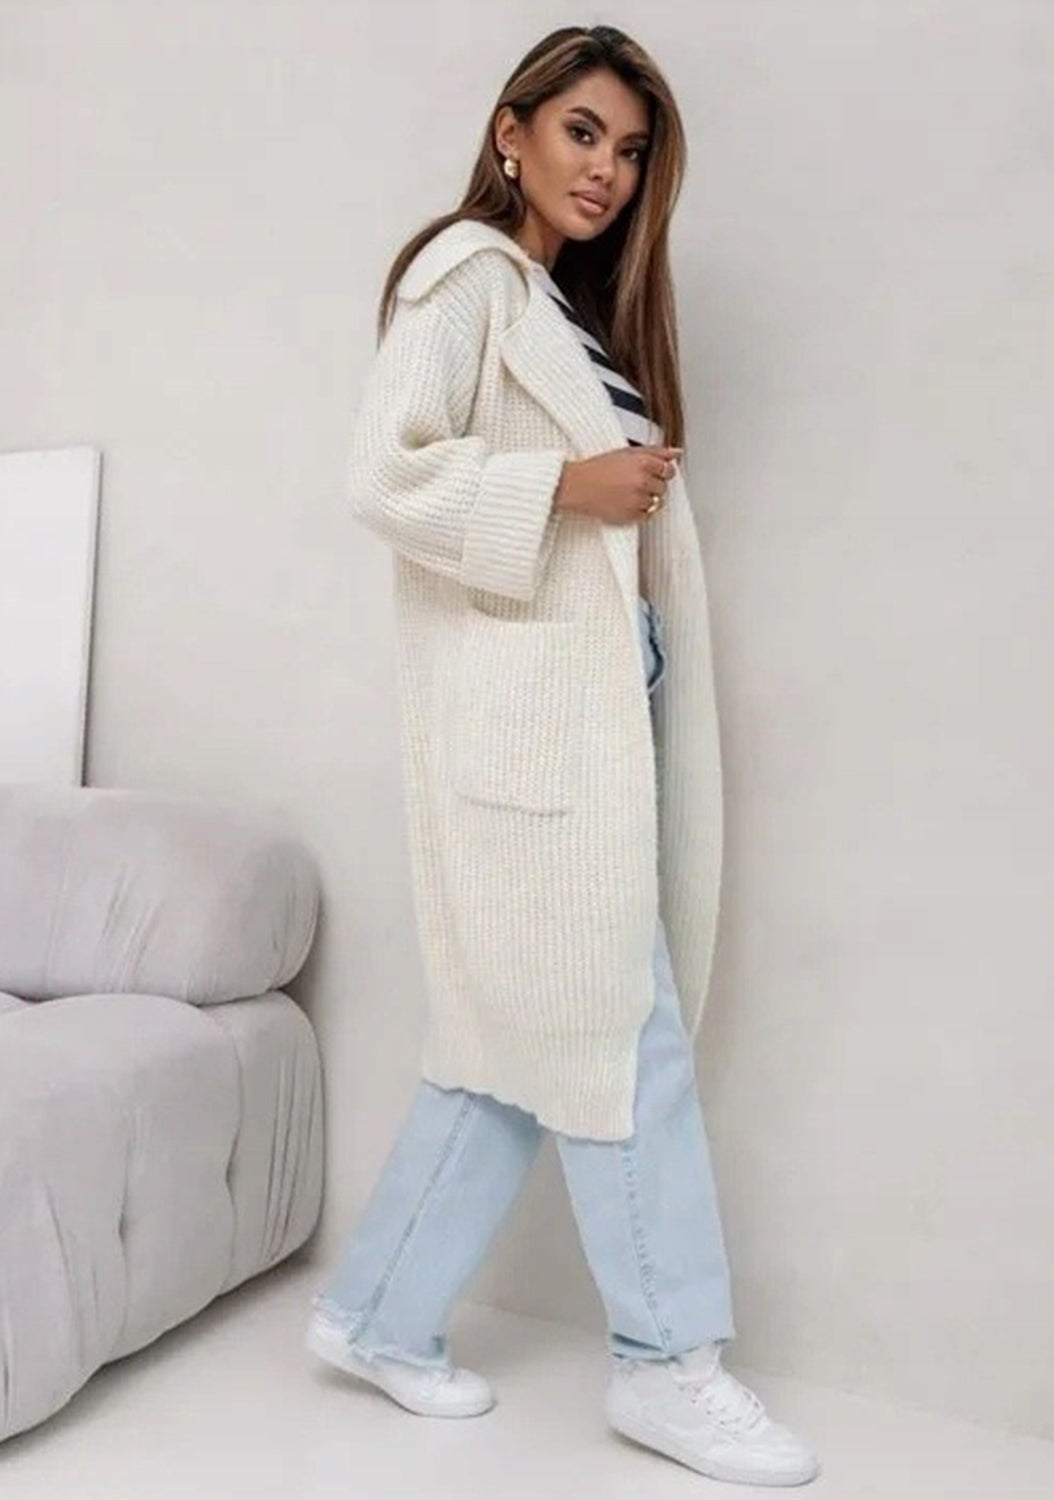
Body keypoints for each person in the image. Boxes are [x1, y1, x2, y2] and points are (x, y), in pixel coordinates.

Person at [307, 23, 821, 1489]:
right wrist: (564, 488)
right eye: (583, 132)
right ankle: (668, 1363)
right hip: (530, 736)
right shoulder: (465, 276)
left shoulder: (560, 307)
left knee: (506, 1046)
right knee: (617, 1031)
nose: (606, 169)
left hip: (589, 717)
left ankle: (375, 1316)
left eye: (631, 150)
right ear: (512, 130)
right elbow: (382, 475)